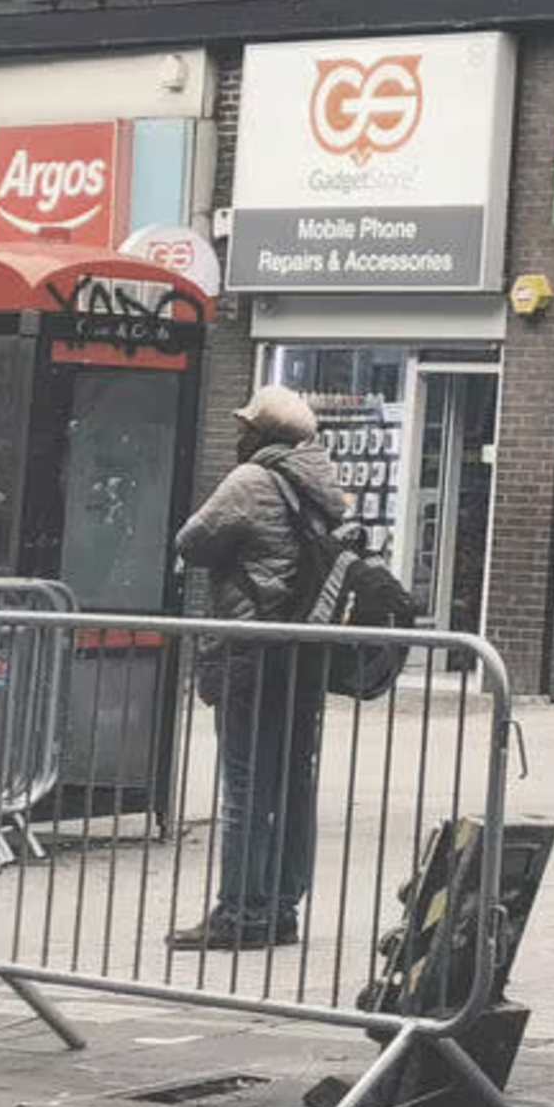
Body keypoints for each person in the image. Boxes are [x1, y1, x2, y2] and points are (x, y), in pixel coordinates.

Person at [167, 386, 352, 949]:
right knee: (294, 781)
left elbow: (191, 542)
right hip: (303, 649)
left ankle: (240, 913)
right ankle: (282, 908)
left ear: (264, 435)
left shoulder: (252, 480)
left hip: (253, 648)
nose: (237, 433)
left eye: (245, 424)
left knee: (247, 786)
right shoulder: (322, 486)